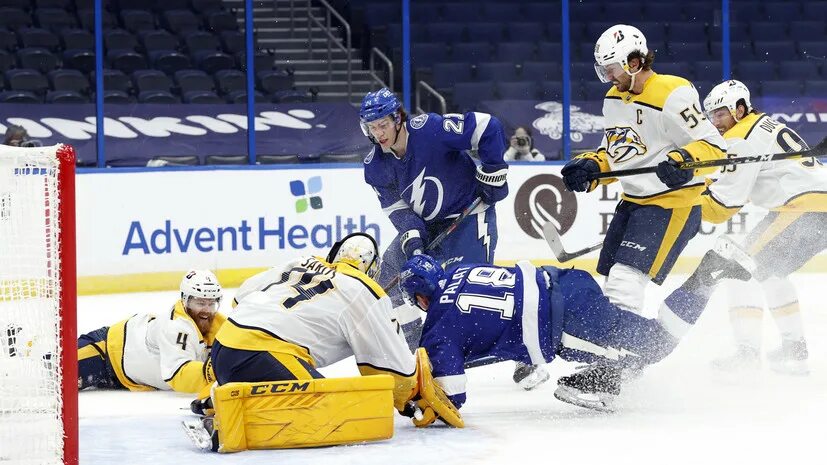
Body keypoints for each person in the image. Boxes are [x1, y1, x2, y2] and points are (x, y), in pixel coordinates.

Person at [399, 238, 754, 414]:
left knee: (655, 343)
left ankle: (708, 273)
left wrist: (411, 398)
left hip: (569, 322)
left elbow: (451, 396)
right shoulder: (462, 270)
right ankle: (610, 374)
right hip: (568, 284)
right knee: (624, 351)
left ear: (421, 299)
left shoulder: (438, 326)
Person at [557, 24, 727, 392]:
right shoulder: (613, 99)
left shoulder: (673, 92)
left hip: (671, 204)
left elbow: (714, 149)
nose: (609, 77)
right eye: (604, 70)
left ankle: (612, 372)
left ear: (636, 60)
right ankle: (621, 363)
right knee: (612, 280)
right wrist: (593, 167)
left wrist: (684, 158)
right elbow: (620, 154)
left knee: (625, 280)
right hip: (632, 202)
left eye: (613, 68)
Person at [186, 233, 460, 452]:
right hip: (264, 353)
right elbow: (395, 371)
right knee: (331, 411)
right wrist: (410, 398)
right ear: (371, 269)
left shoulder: (301, 261)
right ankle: (225, 423)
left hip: (226, 344)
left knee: (314, 388)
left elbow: (242, 296)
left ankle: (218, 394)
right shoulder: (365, 291)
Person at [359, 88, 548, 389]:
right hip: (427, 226)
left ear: (397, 119)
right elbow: (402, 215)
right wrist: (416, 247)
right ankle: (414, 354)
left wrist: (493, 173)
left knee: (476, 295)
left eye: (383, 124)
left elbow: (488, 127)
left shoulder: (430, 129)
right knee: (389, 275)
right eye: (372, 127)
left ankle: (527, 353)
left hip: (469, 216)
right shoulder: (375, 167)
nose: (378, 133)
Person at [700, 79, 827, 375]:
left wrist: (687, 195)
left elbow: (729, 195)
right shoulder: (763, 125)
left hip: (803, 208)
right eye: (712, 116)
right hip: (810, 206)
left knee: (737, 269)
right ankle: (793, 348)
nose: (715, 122)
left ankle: (747, 352)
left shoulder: (740, 137)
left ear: (739, 109)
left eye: (720, 114)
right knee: (770, 272)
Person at [77, 269, 226, 393]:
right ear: (185, 301)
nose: (206, 311)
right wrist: (216, 371)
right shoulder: (175, 327)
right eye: (200, 303)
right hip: (106, 353)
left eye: (211, 304)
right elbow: (178, 373)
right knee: (57, 372)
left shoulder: (221, 327)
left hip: (125, 376)